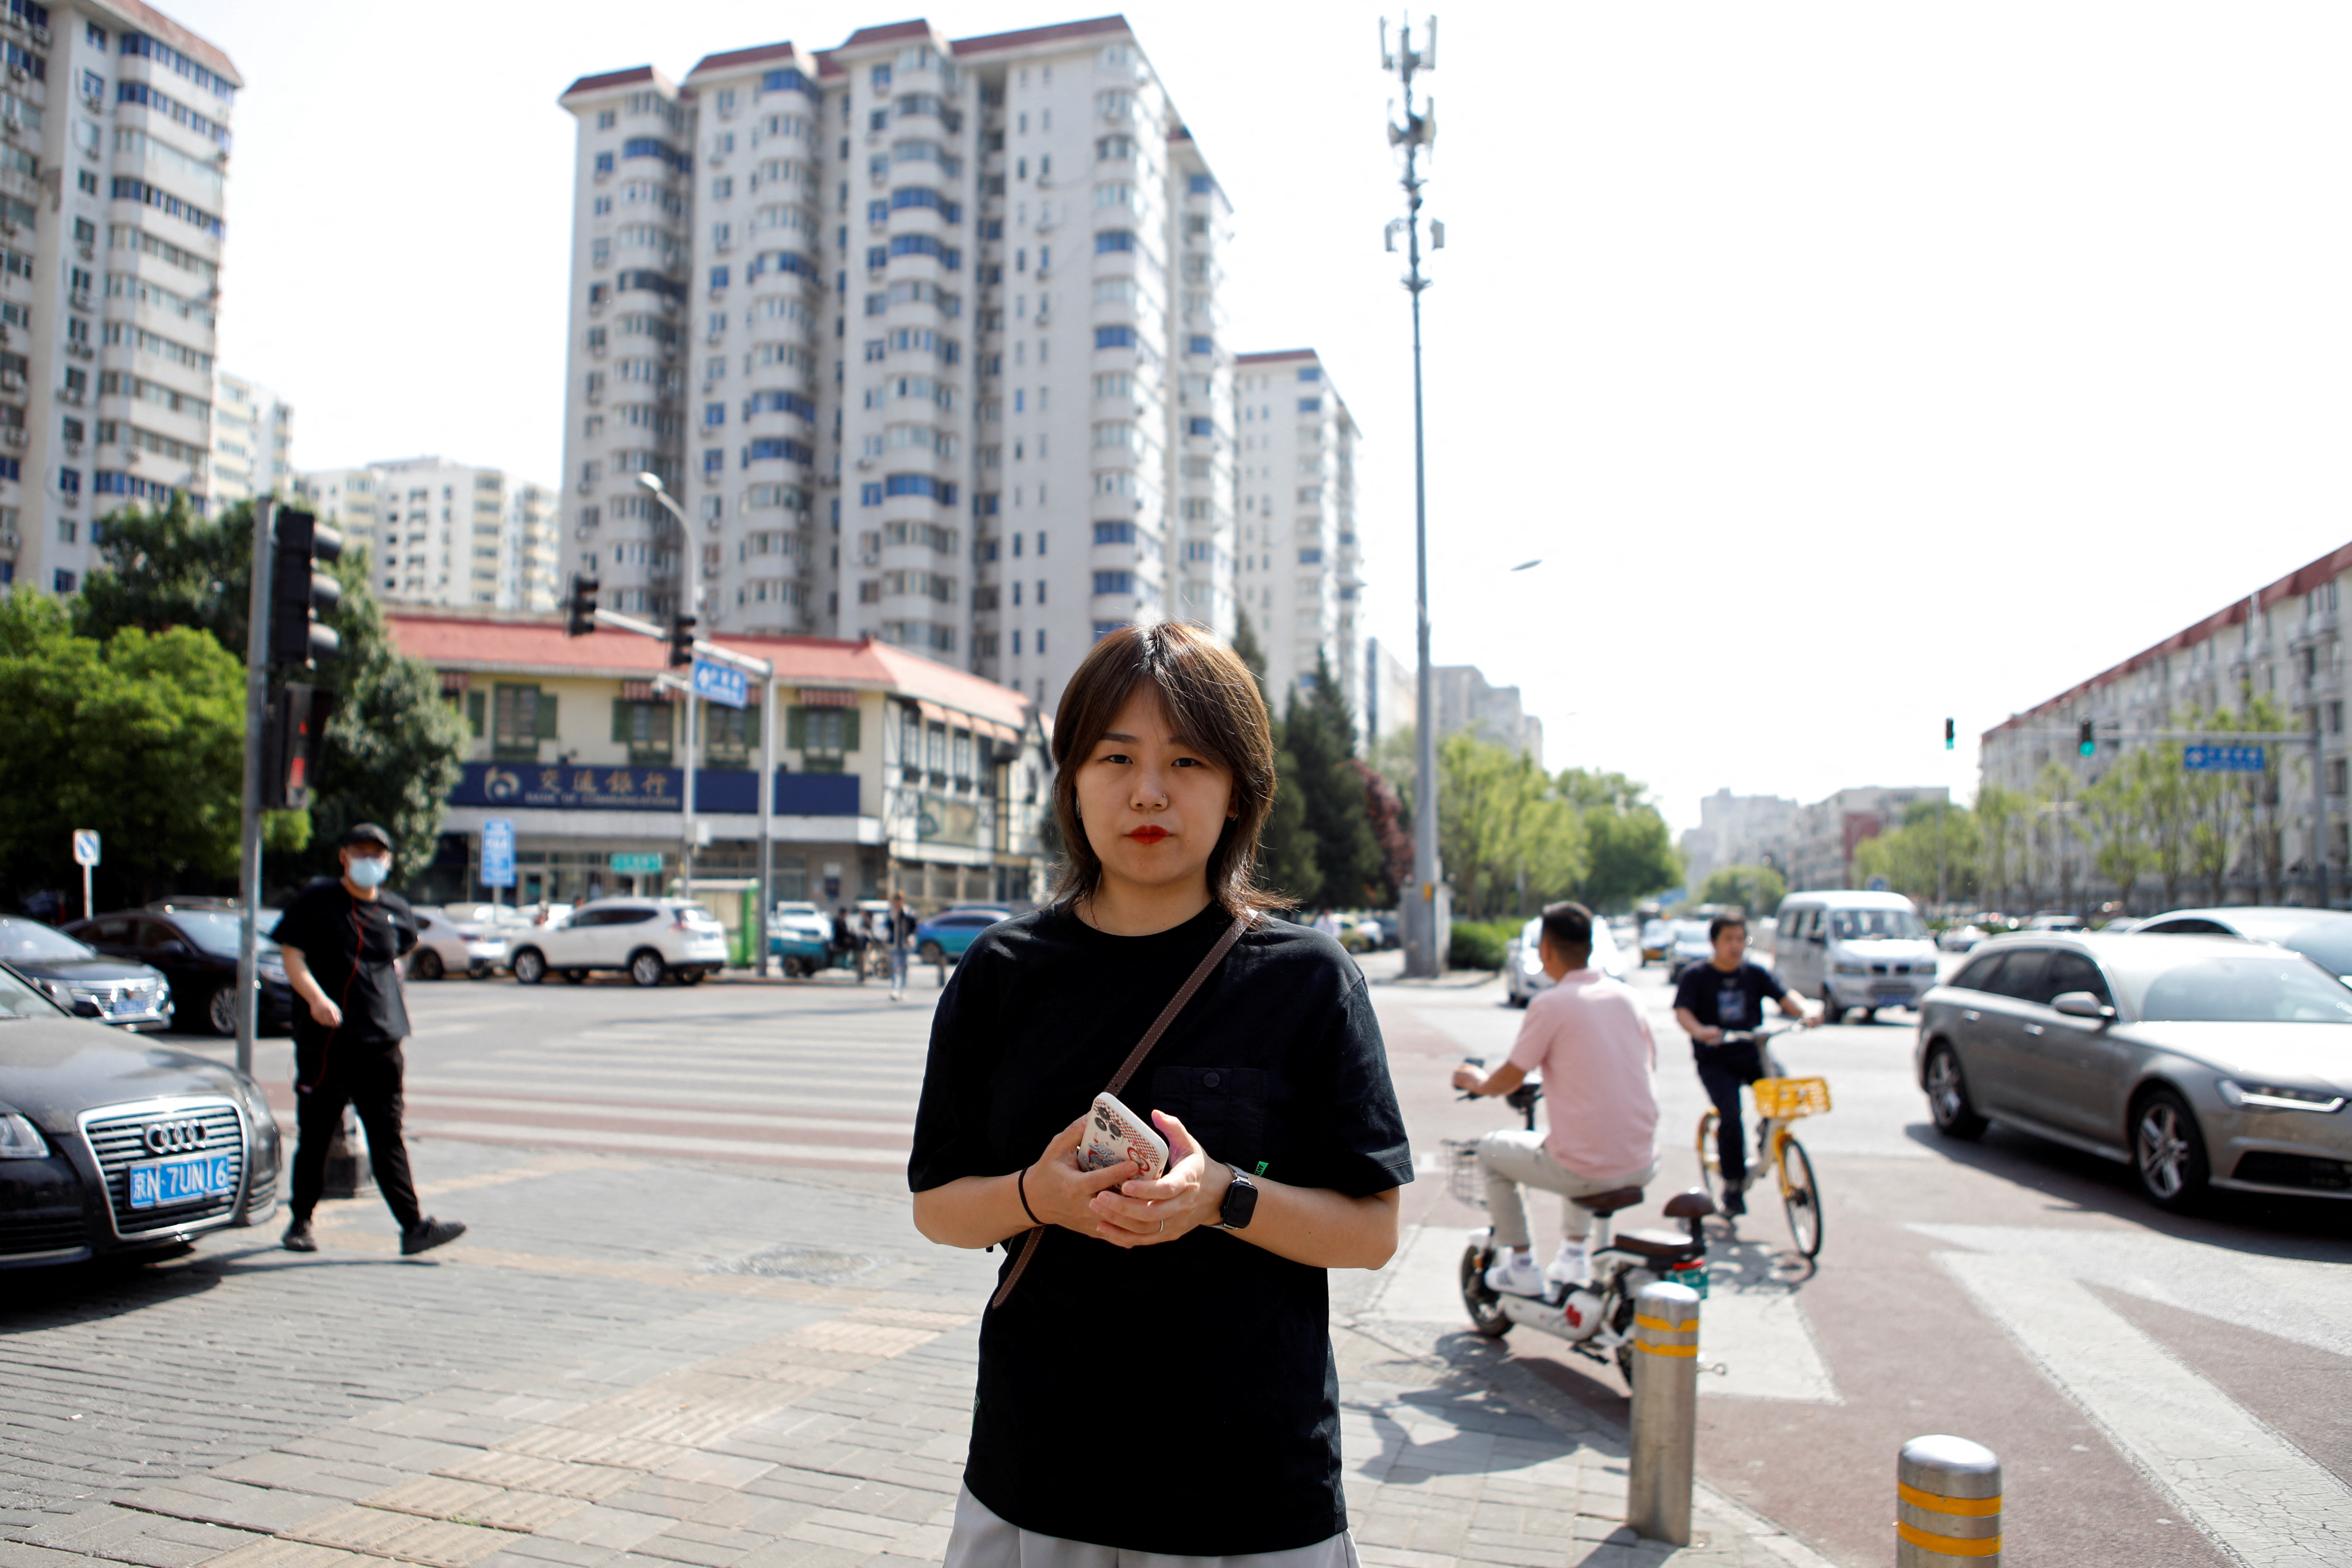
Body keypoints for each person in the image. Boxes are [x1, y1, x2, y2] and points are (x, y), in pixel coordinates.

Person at [910, 621, 1411, 1564]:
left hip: (1253, 1495)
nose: (1149, 790)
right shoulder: (1000, 974)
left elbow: (1372, 1230)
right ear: (1072, 779)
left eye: (1187, 759)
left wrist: (1224, 1195)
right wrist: (1036, 1196)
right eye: (1116, 756)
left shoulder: (1307, 980)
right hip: (1040, 1476)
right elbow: (937, 1205)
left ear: (1237, 793)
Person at [272, 824, 466, 1257]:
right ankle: (300, 1221)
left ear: (388, 861)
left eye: (377, 854)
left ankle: (414, 1227)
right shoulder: (317, 900)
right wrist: (318, 999)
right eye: (360, 851)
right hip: (327, 1042)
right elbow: (292, 954)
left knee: (388, 1135)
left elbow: (404, 949)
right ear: (344, 856)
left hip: (382, 1042)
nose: (369, 860)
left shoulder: (396, 908)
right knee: (317, 1134)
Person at [1452, 901, 1658, 1294]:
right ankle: (1573, 1253)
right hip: (1644, 1160)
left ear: (1545, 949)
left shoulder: (1551, 1004)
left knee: (1492, 1151)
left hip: (1587, 1169)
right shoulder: (1628, 997)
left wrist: (1476, 1081)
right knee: (1574, 1137)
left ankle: (1522, 1264)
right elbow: (1649, 1063)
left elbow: (1509, 1078)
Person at [1671, 911, 1817, 1216]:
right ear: (1714, 943)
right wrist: (1700, 1031)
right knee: (1731, 1115)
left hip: (1753, 1054)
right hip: (1716, 1059)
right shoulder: (1697, 976)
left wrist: (1805, 1013)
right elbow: (1683, 1011)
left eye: (1741, 939)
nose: (1736, 946)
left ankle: (1768, 1132)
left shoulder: (1755, 974)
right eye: (1729, 939)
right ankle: (1733, 1185)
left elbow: (1784, 997)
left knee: (1783, 1093)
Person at [883, 889, 916, 1001]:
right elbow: (887, 926)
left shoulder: (908, 911)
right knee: (895, 967)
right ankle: (895, 990)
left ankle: (902, 990)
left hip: (906, 945)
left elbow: (913, 925)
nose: (898, 903)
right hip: (894, 945)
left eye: (900, 900)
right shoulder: (891, 913)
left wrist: (911, 937)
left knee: (904, 967)